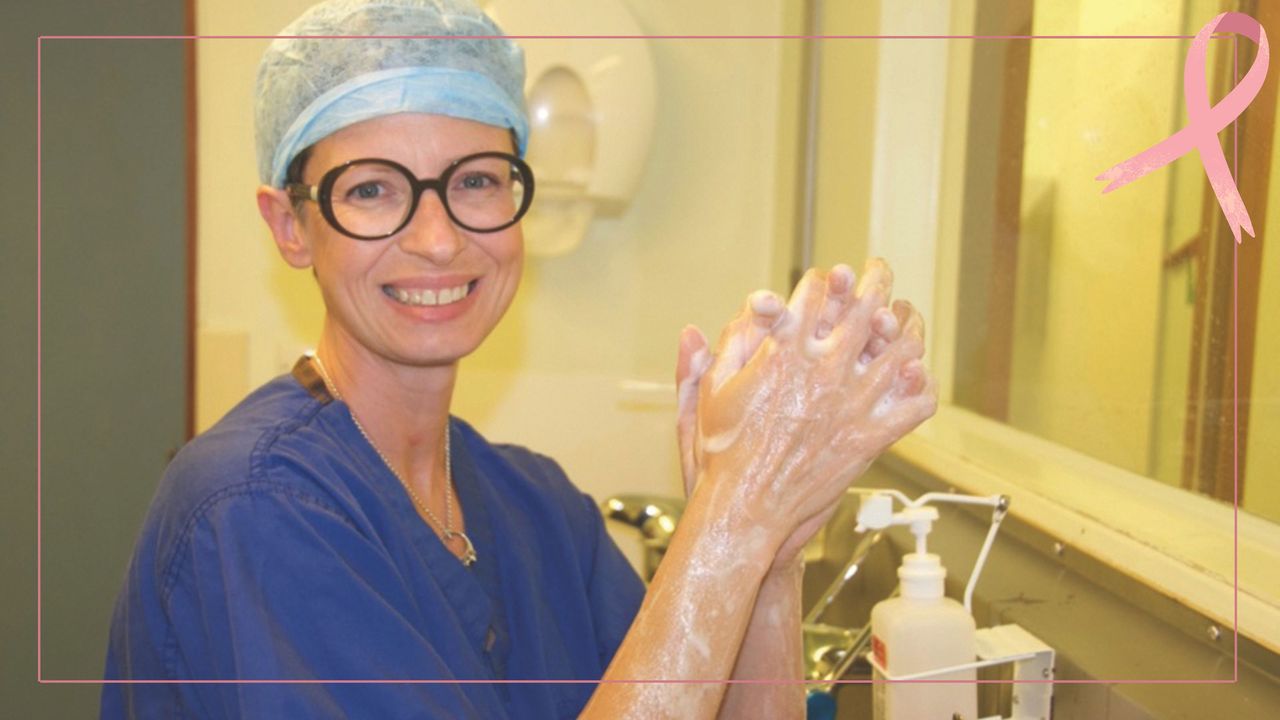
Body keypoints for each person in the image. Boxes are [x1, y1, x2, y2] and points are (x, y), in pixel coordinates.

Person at [101, 1, 936, 718]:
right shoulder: (255, 511)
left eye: (476, 181)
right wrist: (730, 518)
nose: (437, 239)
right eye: (370, 190)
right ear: (290, 226)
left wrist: (772, 547)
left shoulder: (539, 511)